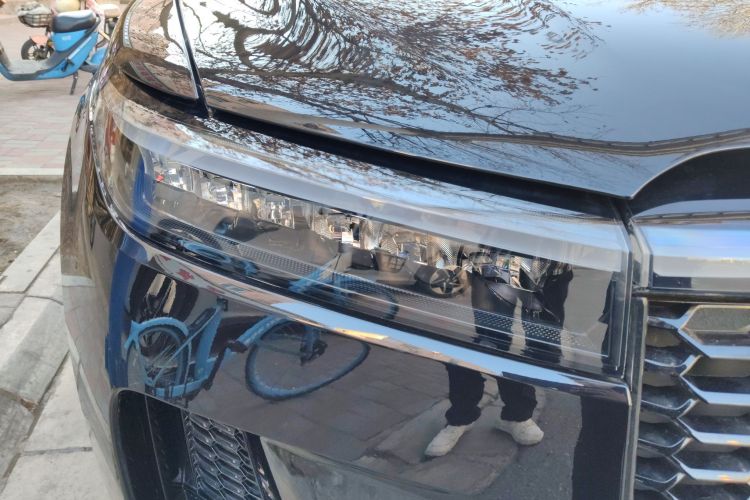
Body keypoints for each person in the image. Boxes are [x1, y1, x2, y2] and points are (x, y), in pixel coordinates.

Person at [425, 252, 572, 457]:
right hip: (494, 257)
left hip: (548, 260)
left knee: (540, 345)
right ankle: (461, 416)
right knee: (485, 338)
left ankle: (517, 415)